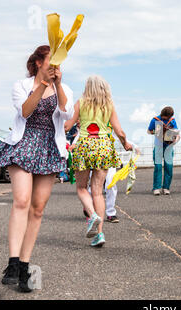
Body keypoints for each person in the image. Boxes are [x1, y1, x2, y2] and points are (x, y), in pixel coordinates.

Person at [0, 45, 74, 292]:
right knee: (22, 201)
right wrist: (44, 85)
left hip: (49, 146)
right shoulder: (21, 86)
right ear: (38, 63)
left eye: (59, 64)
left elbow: (67, 114)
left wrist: (57, 85)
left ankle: (24, 266)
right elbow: (25, 111)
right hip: (24, 143)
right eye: (51, 62)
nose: (55, 67)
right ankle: (13, 263)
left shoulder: (63, 88)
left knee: (37, 208)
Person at [69, 75, 132, 247]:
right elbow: (119, 131)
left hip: (85, 146)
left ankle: (92, 215)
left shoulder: (80, 103)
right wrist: (125, 143)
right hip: (104, 147)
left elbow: (67, 126)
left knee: (82, 187)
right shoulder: (109, 105)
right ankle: (100, 234)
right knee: (98, 191)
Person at [147, 106, 180, 196]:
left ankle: (166, 187)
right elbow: (148, 131)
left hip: (169, 146)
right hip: (158, 146)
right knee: (158, 166)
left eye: (168, 118)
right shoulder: (155, 120)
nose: (167, 119)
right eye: (165, 118)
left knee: (168, 167)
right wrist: (157, 132)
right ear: (162, 114)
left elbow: (177, 132)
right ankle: (156, 188)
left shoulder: (172, 121)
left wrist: (175, 140)